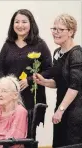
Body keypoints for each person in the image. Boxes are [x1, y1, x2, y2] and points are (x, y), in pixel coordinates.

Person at [33, 14, 82, 147]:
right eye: (54, 29)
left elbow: (74, 86)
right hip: (61, 106)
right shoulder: (57, 52)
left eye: (60, 29)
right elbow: (59, 82)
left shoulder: (76, 54)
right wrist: (43, 82)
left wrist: (60, 110)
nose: (55, 32)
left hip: (75, 111)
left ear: (71, 32)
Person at [0, 9, 52, 126]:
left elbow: (49, 70)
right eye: (17, 22)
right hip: (10, 98)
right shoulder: (8, 45)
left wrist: (30, 80)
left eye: (24, 22)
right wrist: (7, 84)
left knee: (29, 136)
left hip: (32, 97)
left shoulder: (40, 44)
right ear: (13, 24)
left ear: (31, 24)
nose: (20, 25)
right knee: (10, 134)